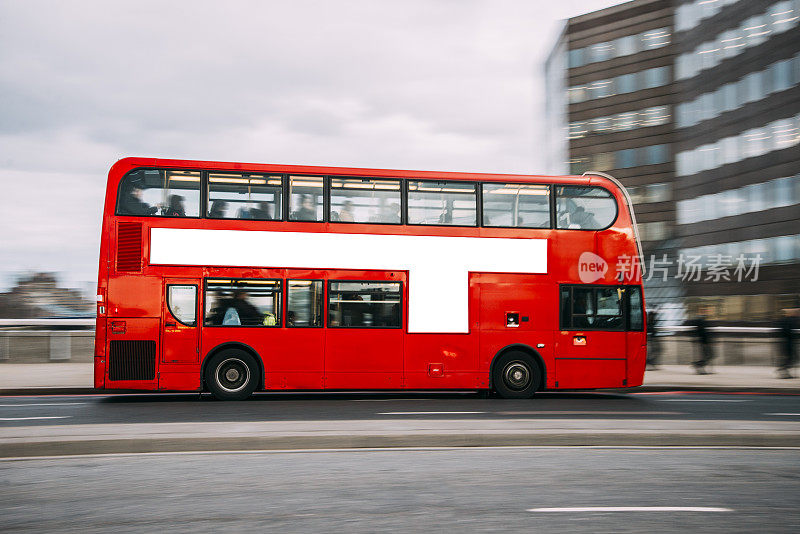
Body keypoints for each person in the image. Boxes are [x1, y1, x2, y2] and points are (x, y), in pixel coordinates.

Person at [777, 308, 799, 379]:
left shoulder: (784, 320)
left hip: (786, 342)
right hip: (788, 342)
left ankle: (783, 370)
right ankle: (782, 369)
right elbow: (788, 331)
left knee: (790, 358)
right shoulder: (789, 320)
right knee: (790, 358)